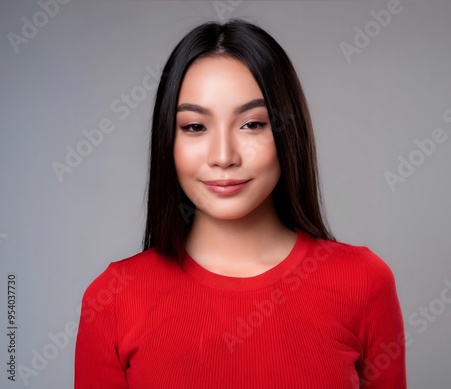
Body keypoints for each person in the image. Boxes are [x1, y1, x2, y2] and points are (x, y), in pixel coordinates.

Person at [74, 18, 407, 388]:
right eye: (195, 127)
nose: (223, 156)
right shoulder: (112, 300)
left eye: (251, 124)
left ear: (286, 133)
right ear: (168, 140)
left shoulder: (363, 282)